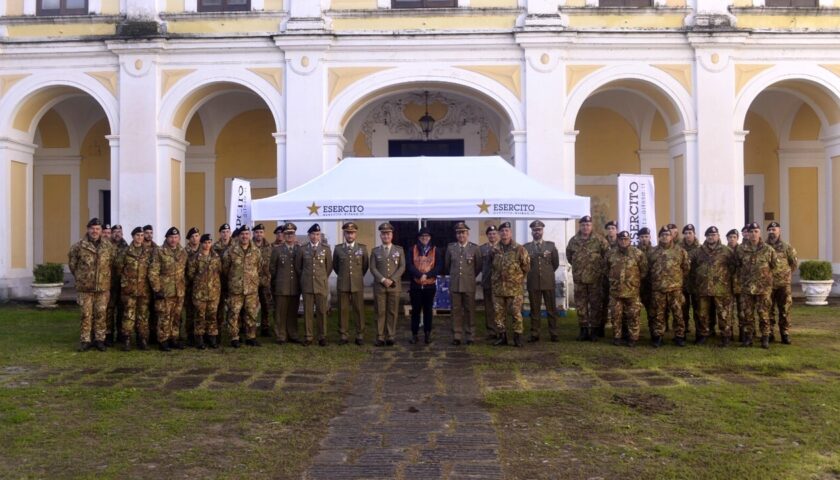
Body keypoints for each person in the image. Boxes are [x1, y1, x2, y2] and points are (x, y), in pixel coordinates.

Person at [68, 217, 117, 352]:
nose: (95, 231)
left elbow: (112, 264)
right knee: (86, 314)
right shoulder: (79, 246)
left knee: (101, 314)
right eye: (92, 229)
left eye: (97, 229)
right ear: (88, 229)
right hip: (85, 288)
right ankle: (85, 340)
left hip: (102, 287)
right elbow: (73, 265)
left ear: (101, 231)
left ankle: (100, 340)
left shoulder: (108, 246)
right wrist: (82, 277)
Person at [565, 215, 608, 341]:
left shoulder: (600, 240)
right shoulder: (573, 240)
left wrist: (599, 270)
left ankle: (594, 330)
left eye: (588, 225)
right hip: (579, 280)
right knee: (581, 305)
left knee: (595, 305)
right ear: (580, 226)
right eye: (583, 225)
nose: (586, 227)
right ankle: (583, 329)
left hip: (595, 279)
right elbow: (569, 256)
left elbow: (607, 256)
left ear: (591, 226)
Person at [222, 225, 266, 348]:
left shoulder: (256, 251)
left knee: (251, 313)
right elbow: (225, 269)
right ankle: (234, 337)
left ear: (249, 235)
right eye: (242, 234)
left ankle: (251, 337)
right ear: (239, 236)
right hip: (236, 289)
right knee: (234, 313)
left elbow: (259, 267)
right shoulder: (231, 251)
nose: (245, 236)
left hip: (251, 289)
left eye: (247, 234)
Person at [736, 222, 778, 349]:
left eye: (756, 231)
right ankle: (748, 338)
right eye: (751, 232)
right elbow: (737, 265)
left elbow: (774, 266)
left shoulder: (768, 250)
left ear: (760, 233)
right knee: (747, 314)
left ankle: (765, 337)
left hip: (763, 288)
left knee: (763, 313)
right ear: (747, 234)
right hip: (747, 288)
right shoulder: (741, 249)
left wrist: (766, 280)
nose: (753, 234)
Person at [691, 226, 736, 346]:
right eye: (709, 235)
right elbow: (691, 267)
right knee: (702, 313)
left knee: (724, 314)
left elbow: (734, 267)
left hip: (722, 289)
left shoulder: (727, 251)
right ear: (706, 237)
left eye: (714, 235)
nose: (711, 237)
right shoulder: (698, 251)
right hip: (703, 288)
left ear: (718, 236)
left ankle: (725, 336)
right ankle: (703, 335)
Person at [648, 227, 690, 347]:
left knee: (678, 313)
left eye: (667, 234)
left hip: (675, 289)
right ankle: (658, 336)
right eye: (662, 235)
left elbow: (686, 268)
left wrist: (676, 280)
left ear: (671, 236)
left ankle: (679, 336)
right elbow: (648, 269)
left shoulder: (680, 251)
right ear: (659, 237)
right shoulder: (652, 252)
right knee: (658, 313)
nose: (665, 237)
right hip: (658, 289)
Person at [605, 231, 647, 347]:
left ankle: (633, 338)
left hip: (632, 291)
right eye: (621, 239)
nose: (623, 241)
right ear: (617, 240)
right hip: (616, 292)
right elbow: (605, 269)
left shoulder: (638, 253)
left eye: (626, 239)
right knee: (616, 315)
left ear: (630, 240)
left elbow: (644, 270)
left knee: (633, 315)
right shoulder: (610, 254)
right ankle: (617, 337)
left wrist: (634, 281)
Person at [149, 227, 188, 351]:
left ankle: (173, 338)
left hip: (179, 290)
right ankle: (163, 340)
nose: (173, 240)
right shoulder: (160, 251)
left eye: (176, 237)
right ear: (166, 238)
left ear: (179, 238)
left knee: (176, 316)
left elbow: (185, 271)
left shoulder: (183, 252)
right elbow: (153, 272)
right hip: (165, 290)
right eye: (171, 237)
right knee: (164, 316)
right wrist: (157, 289)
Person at [492, 222, 530, 347]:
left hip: (514, 289)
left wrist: (517, 279)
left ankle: (517, 337)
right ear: (499, 233)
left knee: (516, 314)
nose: (504, 233)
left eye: (507, 230)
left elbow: (526, 267)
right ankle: (502, 337)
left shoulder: (519, 249)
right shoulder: (495, 249)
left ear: (511, 233)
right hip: (499, 288)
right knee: (499, 314)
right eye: (502, 231)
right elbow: (492, 267)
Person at [114, 226, 152, 351]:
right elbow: (118, 268)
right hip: (129, 290)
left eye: (141, 235)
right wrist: (126, 281)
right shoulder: (125, 251)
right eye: (137, 235)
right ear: (132, 236)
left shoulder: (148, 252)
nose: (140, 238)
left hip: (143, 290)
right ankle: (127, 340)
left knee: (142, 316)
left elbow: (151, 270)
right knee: (128, 315)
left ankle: (142, 339)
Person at [444, 222, 482, 346]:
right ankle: (457, 335)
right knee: (455, 310)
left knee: (470, 310)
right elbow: (447, 265)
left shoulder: (475, 248)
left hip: (469, 284)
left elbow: (478, 266)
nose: (461, 235)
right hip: (455, 284)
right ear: (456, 235)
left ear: (468, 234)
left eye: (463, 233)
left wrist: (470, 277)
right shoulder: (451, 248)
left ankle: (470, 335)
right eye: (459, 233)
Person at [524, 220, 561, 343]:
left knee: (551, 309)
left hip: (548, 282)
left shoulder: (550, 246)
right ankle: (535, 333)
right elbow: (523, 264)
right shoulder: (526, 247)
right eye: (535, 230)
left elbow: (555, 263)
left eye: (539, 230)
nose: (537, 232)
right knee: (535, 310)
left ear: (543, 231)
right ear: (531, 232)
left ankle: (554, 333)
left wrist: (548, 274)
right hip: (533, 282)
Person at [333, 222, 369, 345]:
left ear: (355, 234)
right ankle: (343, 334)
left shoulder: (362, 248)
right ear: (344, 234)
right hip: (343, 283)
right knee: (343, 309)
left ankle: (360, 334)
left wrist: (357, 277)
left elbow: (365, 266)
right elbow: (335, 266)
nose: (350, 235)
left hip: (357, 283)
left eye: (352, 232)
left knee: (358, 309)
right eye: (347, 232)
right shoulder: (338, 249)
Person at [369, 222, 406, 346]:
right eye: (384, 234)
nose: (386, 236)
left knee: (392, 311)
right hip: (380, 286)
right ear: (380, 236)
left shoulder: (399, 250)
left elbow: (402, 266)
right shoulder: (375, 251)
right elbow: (372, 268)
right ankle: (380, 336)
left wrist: (392, 279)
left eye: (388, 234)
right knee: (380, 311)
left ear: (392, 235)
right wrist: (383, 279)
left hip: (394, 286)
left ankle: (390, 335)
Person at [296, 223, 332, 347]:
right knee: (308, 312)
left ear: (319, 236)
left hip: (321, 285)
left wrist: (321, 278)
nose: (315, 237)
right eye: (313, 234)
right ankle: (308, 336)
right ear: (309, 235)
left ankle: (322, 336)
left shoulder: (326, 249)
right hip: (307, 285)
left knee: (322, 311)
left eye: (317, 234)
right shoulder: (302, 249)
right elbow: (298, 267)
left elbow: (329, 267)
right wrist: (306, 278)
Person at [406, 227, 441, 345]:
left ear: (430, 238)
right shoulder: (412, 249)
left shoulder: (436, 250)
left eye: (426, 236)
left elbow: (438, 266)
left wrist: (427, 275)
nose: (424, 238)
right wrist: (419, 274)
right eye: (422, 236)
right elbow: (409, 265)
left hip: (430, 286)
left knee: (428, 311)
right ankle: (414, 334)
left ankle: (427, 334)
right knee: (415, 311)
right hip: (416, 285)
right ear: (419, 238)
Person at [187, 233, 222, 349]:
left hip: (213, 293)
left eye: (209, 243)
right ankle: (199, 339)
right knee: (200, 317)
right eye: (205, 243)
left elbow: (220, 272)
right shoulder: (195, 258)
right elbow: (190, 274)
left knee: (212, 316)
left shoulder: (216, 257)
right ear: (201, 244)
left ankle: (212, 338)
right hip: (199, 293)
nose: (207, 245)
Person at [766, 222, 798, 344]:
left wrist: (784, 275)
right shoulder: (764, 246)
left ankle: (785, 333)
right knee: (768, 310)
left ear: (779, 230)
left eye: (774, 229)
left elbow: (794, 264)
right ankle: (769, 333)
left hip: (783, 285)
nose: (771, 232)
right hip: (767, 285)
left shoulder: (786, 247)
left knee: (784, 310)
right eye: (769, 230)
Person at [270, 223, 302, 344]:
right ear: (283, 235)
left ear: (294, 235)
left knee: (293, 312)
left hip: (295, 286)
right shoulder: (277, 250)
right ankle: (281, 335)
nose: (289, 236)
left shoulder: (299, 249)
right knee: (280, 312)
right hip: (281, 286)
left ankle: (293, 334)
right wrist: (275, 283)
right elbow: (272, 268)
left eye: (291, 234)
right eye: (287, 234)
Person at [106, 224, 128, 346]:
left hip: (122, 284)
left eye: (119, 231)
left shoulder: (127, 247)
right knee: (109, 310)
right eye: (115, 231)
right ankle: (108, 335)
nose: (117, 234)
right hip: (109, 284)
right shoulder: (106, 246)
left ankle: (121, 333)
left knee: (122, 310)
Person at [252, 224, 274, 337]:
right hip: (252, 281)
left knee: (266, 305)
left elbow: (273, 264)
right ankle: (251, 328)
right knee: (251, 306)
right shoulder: (249, 246)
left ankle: (265, 327)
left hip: (265, 281)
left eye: (261, 232)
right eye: (256, 232)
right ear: (254, 234)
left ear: (264, 233)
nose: (259, 234)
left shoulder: (269, 247)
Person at [597, 220, 619, 337]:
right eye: (609, 228)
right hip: (604, 277)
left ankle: (617, 327)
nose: (611, 230)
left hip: (617, 278)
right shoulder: (602, 242)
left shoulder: (621, 242)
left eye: (613, 228)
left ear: (617, 230)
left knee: (617, 303)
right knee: (603, 302)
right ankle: (601, 327)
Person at [479, 224, 500, 339]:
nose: (492, 235)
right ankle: (491, 331)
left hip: (500, 282)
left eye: (494, 233)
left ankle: (501, 329)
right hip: (487, 281)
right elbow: (478, 265)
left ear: (498, 235)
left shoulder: (503, 247)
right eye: (490, 234)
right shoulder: (482, 249)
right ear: (487, 235)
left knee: (500, 307)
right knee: (489, 307)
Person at [681, 224, 701, 336]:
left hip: (696, 283)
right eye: (686, 233)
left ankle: (699, 330)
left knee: (698, 309)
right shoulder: (678, 247)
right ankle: (683, 329)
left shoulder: (700, 248)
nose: (688, 235)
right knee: (683, 308)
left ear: (694, 234)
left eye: (690, 233)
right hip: (682, 282)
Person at [213, 223, 233, 334]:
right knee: (219, 306)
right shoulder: (215, 247)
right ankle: (219, 327)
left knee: (233, 306)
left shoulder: (236, 245)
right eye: (223, 232)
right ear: (220, 234)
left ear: (230, 233)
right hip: (219, 281)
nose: (225, 234)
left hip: (232, 280)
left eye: (227, 232)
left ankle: (234, 328)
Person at [726, 228, 744, 343]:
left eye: (734, 237)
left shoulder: (742, 250)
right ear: (727, 238)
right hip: (727, 285)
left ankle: (743, 334)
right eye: (730, 237)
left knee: (742, 311)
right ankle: (729, 333)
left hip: (741, 285)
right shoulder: (723, 250)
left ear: (737, 238)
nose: (732, 239)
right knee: (728, 311)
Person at [183, 227, 201, 345]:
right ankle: (189, 335)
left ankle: (200, 335)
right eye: (193, 236)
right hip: (189, 286)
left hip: (202, 287)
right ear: (189, 239)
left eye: (197, 235)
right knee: (189, 312)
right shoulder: (184, 252)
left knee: (200, 312)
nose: (195, 238)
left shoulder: (205, 249)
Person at [637, 227, 655, 319]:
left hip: (650, 284)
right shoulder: (634, 251)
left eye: (646, 236)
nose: (644, 239)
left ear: (650, 237)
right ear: (639, 238)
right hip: (637, 284)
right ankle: (635, 330)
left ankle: (654, 331)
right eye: (642, 236)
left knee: (652, 308)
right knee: (635, 308)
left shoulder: (655, 251)